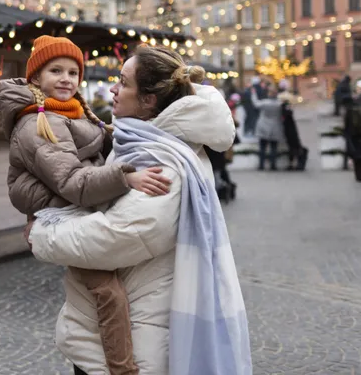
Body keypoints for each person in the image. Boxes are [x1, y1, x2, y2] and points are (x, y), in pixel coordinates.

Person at [26, 46, 250, 375]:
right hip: (115, 325)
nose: (113, 89)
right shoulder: (146, 142)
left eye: (123, 82)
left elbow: (118, 236)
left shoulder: (163, 161)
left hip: (134, 334)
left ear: (148, 101)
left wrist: (42, 232)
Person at [0, 36, 172, 375]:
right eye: (55, 70)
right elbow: (71, 182)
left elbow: (100, 144)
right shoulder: (38, 121)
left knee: (100, 298)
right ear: (36, 78)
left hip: (76, 211)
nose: (66, 79)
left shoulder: (76, 112)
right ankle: (122, 369)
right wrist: (125, 177)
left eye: (73, 72)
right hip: (61, 214)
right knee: (108, 293)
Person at [252, 84, 285, 171]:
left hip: (263, 126)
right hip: (275, 126)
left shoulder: (264, 103)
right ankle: (273, 165)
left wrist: (253, 94)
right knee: (273, 147)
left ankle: (261, 165)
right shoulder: (279, 104)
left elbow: (255, 104)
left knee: (262, 147)